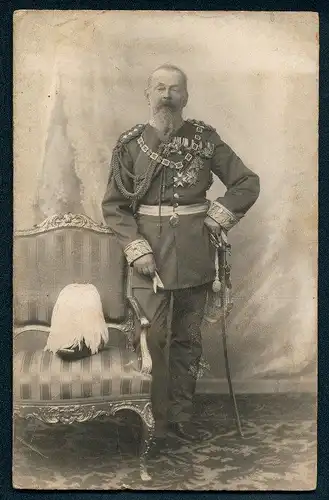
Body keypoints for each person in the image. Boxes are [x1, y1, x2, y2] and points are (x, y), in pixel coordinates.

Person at [101, 64, 260, 444]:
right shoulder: (130, 145)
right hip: (147, 260)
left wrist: (218, 216)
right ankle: (149, 420)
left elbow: (246, 182)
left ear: (185, 97)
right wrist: (135, 248)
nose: (167, 96)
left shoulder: (206, 140)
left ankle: (180, 419)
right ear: (148, 94)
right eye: (160, 88)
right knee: (150, 339)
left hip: (194, 255)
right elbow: (115, 206)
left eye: (175, 89)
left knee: (188, 340)